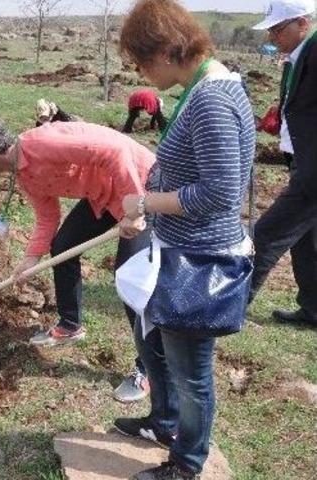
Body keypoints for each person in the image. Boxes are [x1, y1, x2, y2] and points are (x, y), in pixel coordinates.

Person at [116, 1, 255, 479]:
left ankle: (186, 463)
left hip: (200, 259)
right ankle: (164, 421)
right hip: (177, 247)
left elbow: (220, 192)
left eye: (140, 61)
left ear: (168, 50)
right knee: (151, 334)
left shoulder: (212, 99)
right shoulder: (203, 90)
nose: (139, 72)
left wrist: (147, 204)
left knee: (192, 373)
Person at [0, 116, 156, 403]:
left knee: (130, 276)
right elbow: (47, 217)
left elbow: (115, 152)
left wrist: (134, 208)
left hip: (141, 185)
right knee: (62, 246)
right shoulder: (23, 173)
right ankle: (71, 325)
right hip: (103, 194)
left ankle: (150, 369)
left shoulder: (43, 144)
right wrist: (30, 258)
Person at [250, 0, 317, 327]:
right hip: (300, 161)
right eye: (271, 30)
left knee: (265, 235)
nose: (273, 36)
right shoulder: (294, 59)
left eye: (278, 28)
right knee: (307, 243)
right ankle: (313, 310)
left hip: (313, 174)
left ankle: (229, 307)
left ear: (302, 24)